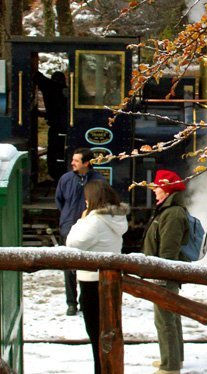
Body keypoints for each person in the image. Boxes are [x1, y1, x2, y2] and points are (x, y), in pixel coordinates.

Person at [66, 180, 129, 374]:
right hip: (110, 282)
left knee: (96, 336)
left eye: (86, 199)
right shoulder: (116, 217)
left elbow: (72, 244)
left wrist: (81, 219)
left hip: (91, 282)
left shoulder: (94, 221)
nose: (85, 203)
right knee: (107, 333)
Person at [142, 169, 189, 374]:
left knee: (164, 320)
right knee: (170, 316)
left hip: (163, 275)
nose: (154, 191)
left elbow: (168, 252)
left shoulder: (172, 214)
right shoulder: (168, 210)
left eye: (157, 187)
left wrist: (159, 278)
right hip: (162, 274)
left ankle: (169, 366)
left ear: (167, 189)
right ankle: (173, 359)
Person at [55, 147, 104, 316]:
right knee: (69, 266)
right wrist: (67, 219)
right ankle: (71, 303)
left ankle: (85, 300)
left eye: (76, 160)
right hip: (69, 227)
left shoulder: (98, 180)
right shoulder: (66, 179)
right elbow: (59, 200)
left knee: (89, 266)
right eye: (73, 160)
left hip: (90, 227)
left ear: (86, 163)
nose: (72, 163)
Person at [34, 70, 68, 181]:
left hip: (56, 126)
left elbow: (39, 78)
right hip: (65, 126)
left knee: (53, 151)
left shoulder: (50, 87)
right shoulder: (66, 90)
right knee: (60, 152)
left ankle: (54, 175)